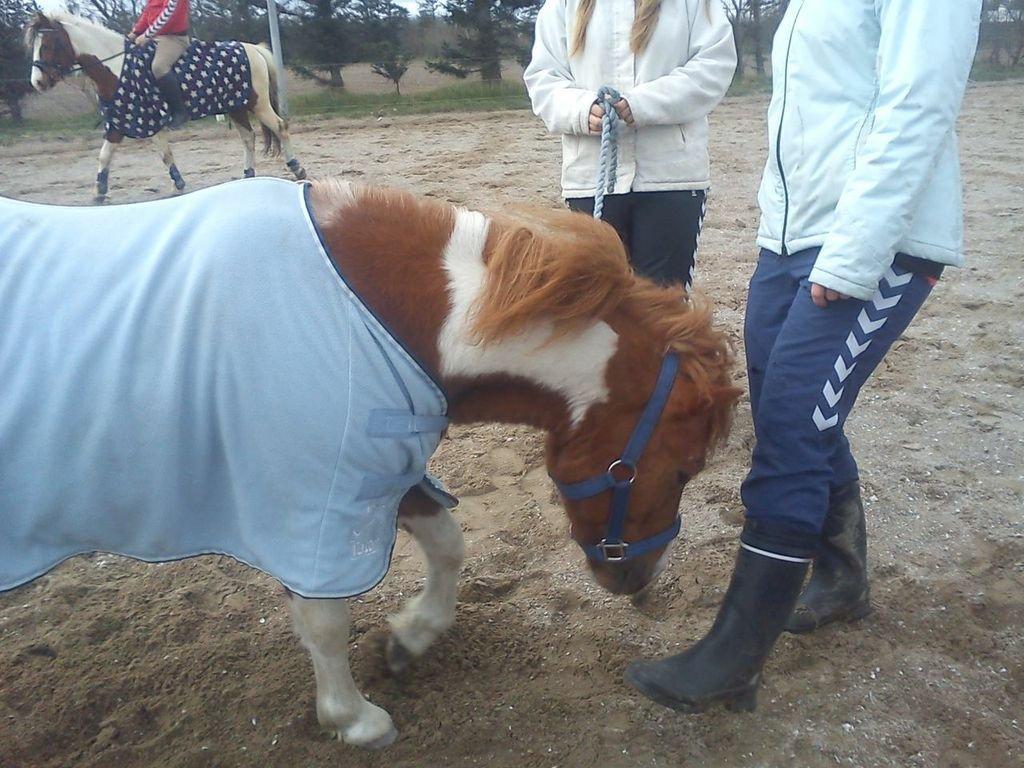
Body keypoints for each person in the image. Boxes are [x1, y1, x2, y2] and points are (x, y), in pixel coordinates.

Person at [625, 0, 983, 712]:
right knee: (796, 409)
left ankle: (735, 657)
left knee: (792, 421)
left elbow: (917, 108)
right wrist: (776, 234)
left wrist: (853, 258)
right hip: (790, 242)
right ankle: (844, 577)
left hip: (877, 243)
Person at [524, 0, 736, 288]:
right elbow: (544, 78)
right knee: (597, 304)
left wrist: (641, 104)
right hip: (591, 177)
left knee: (661, 307)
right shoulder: (562, 4)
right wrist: (582, 110)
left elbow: (713, 65)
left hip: (671, 179)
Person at [129, 0, 190, 128]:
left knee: (159, 67)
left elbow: (168, 15)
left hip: (174, 38)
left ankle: (180, 111)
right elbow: (147, 14)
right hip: (156, 37)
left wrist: (146, 35)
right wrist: (135, 32)